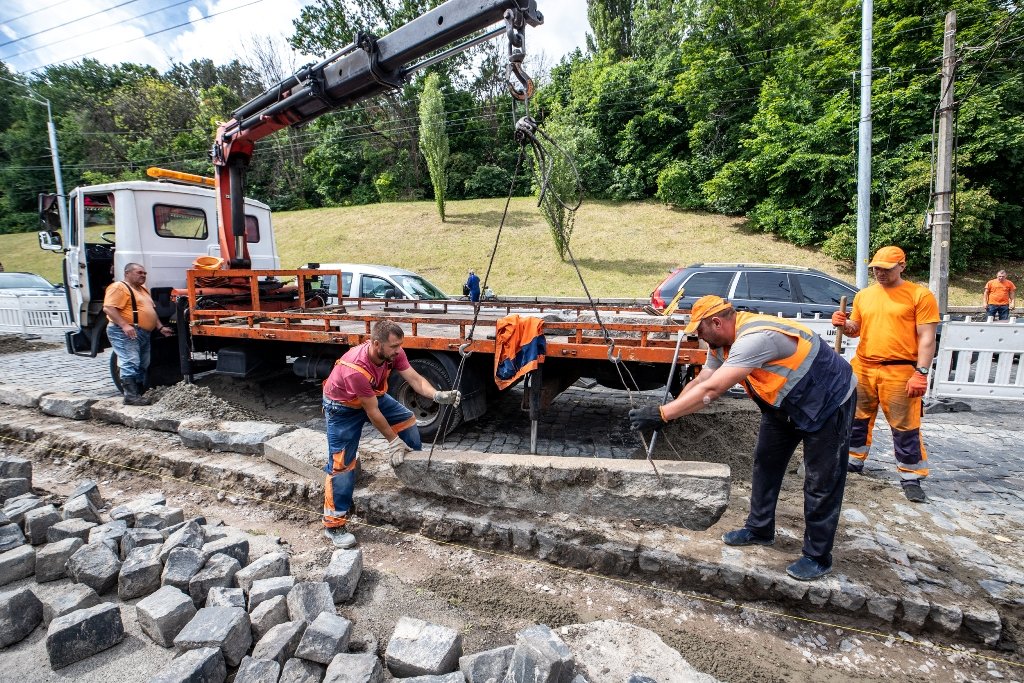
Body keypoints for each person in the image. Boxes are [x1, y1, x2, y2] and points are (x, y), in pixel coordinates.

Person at [630, 295, 856, 581]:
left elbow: (712, 393)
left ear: (717, 322)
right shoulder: (721, 344)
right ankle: (760, 529)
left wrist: (662, 414)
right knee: (766, 463)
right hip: (783, 404)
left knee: (821, 481)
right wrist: (670, 415)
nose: (697, 336)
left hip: (828, 401)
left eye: (699, 330)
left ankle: (817, 556)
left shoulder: (756, 338)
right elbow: (702, 381)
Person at [321, 320, 462, 549]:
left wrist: (437, 395)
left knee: (407, 422)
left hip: (371, 395)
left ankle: (413, 476)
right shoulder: (355, 368)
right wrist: (393, 442)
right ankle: (334, 524)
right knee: (342, 463)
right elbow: (373, 413)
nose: (398, 350)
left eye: (399, 346)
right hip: (342, 407)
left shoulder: (392, 353)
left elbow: (415, 379)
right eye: (394, 346)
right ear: (376, 344)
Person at [831, 246, 939, 503]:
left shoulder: (919, 296)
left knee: (905, 426)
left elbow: (927, 338)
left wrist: (921, 373)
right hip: (864, 366)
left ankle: (911, 475)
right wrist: (844, 325)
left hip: (900, 369)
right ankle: (854, 460)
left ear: (902, 266)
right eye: (876, 268)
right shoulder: (864, 296)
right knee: (857, 417)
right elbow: (856, 329)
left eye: (886, 269)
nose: (879, 273)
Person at [102, 263, 173, 406]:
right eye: (139, 272)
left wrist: (159, 327)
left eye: (145, 273)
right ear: (127, 273)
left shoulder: (142, 290)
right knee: (130, 361)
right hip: (126, 331)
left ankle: (139, 392)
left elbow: (150, 311)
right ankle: (130, 396)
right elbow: (108, 308)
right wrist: (124, 325)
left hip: (143, 332)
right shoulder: (119, 287)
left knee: (142, 362)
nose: (143, 275)